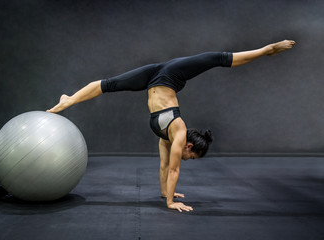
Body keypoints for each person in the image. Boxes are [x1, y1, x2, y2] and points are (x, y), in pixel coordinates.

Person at [47, 40, 296, 212]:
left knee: (109, 85)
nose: (187, 159)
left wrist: (168, 193)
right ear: (188, 145)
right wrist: (170, 204)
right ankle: (266, 49)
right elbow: (175, 170)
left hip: (153, 77)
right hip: (169, 75)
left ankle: (70, 99)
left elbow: (165, 166)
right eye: (192, 156)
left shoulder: (165, 136)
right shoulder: (177, 130)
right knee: (217, 59)